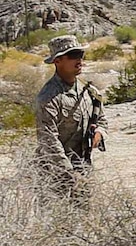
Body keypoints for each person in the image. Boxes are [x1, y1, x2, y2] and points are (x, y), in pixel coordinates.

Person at [34, 35, 107, 201]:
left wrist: (99, 134)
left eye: (80, 55)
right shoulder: (48, 97)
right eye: (73, 56)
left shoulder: (88, 91)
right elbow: (48, 140)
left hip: (83, 167)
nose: (79, 60)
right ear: (57, 61)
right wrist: (70, 176)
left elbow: (101, 119)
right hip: (54, 176)